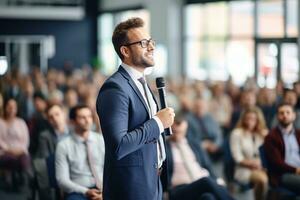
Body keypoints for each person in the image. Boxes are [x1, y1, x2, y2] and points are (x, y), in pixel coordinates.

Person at [96, 17, 175, 200]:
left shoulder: (142, 82)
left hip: (153, 180)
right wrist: (157, 122)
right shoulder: (115, 88)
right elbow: (119, 145)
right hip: (131, 187)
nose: (151, 47)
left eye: (151, 42)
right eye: (143, 43)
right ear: (125, 51)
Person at [164, 114, 233, 200]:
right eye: (175, 132)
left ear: (185, 130)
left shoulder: (194, 144)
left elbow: (207, 165)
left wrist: (217, 180)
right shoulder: (165, 148)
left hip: (201, 183)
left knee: (208, 197)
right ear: (170, 130)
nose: (178, 135)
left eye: (181, 132)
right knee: (205, 181)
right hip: (179, 188)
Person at [55, 105, 105, 200]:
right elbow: (62, 180)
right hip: (79, 191)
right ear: (72, 122)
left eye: (89, 116)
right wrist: (85, 191)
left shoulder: (101, 140)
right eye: (82, 117)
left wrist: (105, 191)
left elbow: (110, 170)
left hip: (103, 188)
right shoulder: (64, 145)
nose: (87, 120)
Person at [230, 107, 268, 200]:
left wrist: (266, 136)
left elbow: (268, 153)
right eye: (248, 118)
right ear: (243, 119)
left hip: (262, 167)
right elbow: (237, 157)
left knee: (276, 178)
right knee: (263, 180)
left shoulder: (260, 133)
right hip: (244, 169)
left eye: (253, 119)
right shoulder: (237, 133)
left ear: (258, 120)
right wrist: (254, 164)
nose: (250, 121)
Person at [264, 103, 300, 195]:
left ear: (294, 115)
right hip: (283, 174)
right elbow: (277, 163)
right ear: (277, 116)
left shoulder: (298, 134)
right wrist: (296, 170)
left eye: (288, 112)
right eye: (281, 113)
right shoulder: (271, 137)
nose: (285, 115)